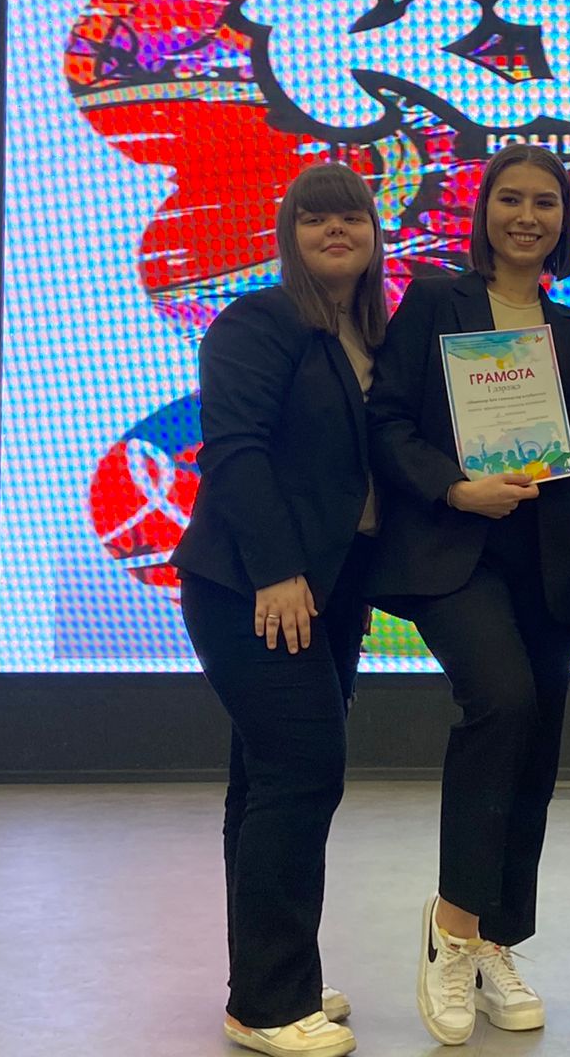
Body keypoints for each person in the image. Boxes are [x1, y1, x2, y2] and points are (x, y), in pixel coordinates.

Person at [366, 143, 570, 1046]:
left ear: (565, 219)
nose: (527, 216)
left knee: (537, 741)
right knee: (502, 702)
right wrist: (454, 488)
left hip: (548, 559)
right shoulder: (435, 300)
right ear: (483, 210)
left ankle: (495, 943)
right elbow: (387, 421)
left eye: (545, 203)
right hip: (457, 549)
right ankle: (451, 930)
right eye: (511, 199)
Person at [172, 162, 389, 1057]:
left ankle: (271, 975)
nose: (335, 230)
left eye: (351, 217)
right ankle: (267, 1005)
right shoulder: (257, 321)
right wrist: (276, 573)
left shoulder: (371, 335)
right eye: (314, 219)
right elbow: (235, 449)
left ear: (375, 232)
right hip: (253, 588)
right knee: (303, 771)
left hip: (329, 594)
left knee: (266, 779)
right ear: (288, 236)